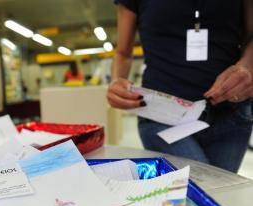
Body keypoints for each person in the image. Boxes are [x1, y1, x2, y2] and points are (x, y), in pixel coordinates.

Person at [107, 0, 253, 173]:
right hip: (162, 113)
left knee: (218, 191)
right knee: (203, 188)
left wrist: (247, 66)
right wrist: (117, 80)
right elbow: (123, 52)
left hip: (231, 112)